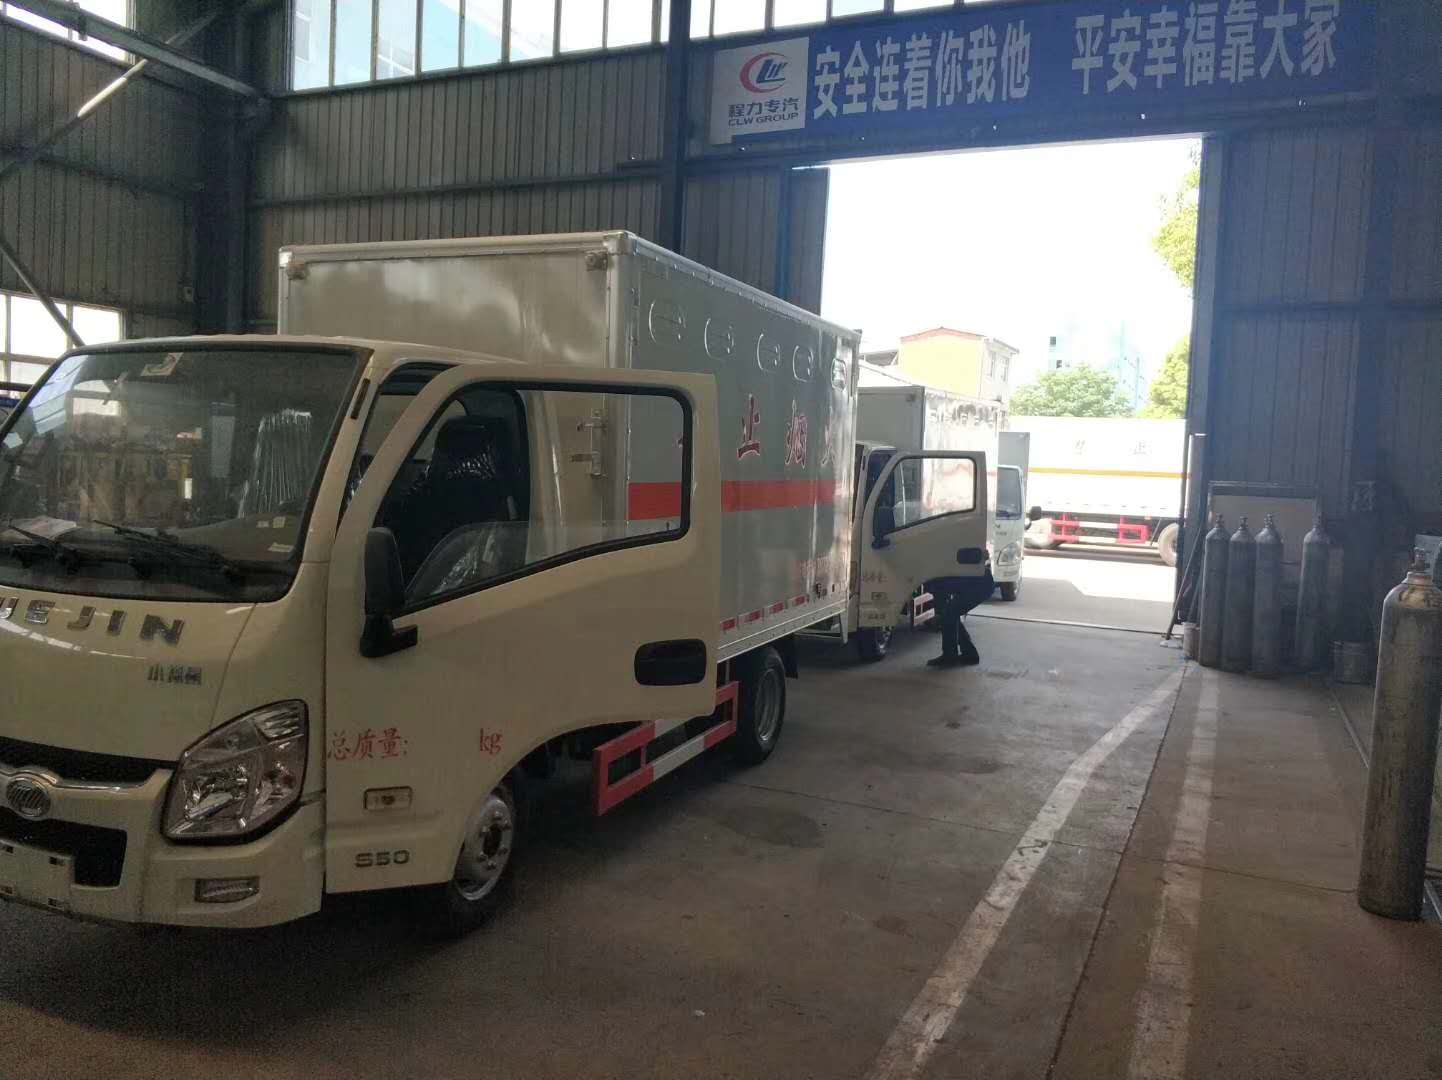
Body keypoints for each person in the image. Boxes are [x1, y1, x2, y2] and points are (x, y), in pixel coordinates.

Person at [926, 568, 995, 669]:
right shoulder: (938, 578)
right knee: (950, 615)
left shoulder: (937, 581)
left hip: (979, 585)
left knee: (949, 615)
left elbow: (942, 602)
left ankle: (950, 657)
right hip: (981, 582)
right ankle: (969, 655)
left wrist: (939, 616)